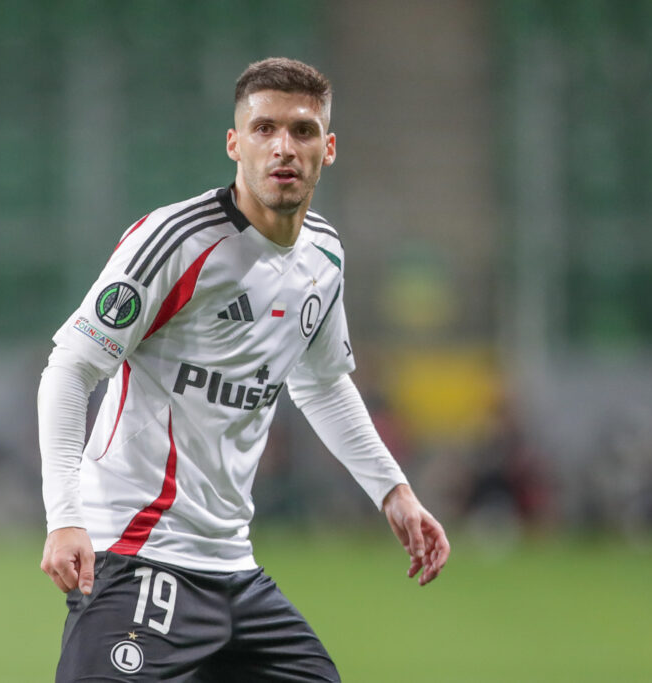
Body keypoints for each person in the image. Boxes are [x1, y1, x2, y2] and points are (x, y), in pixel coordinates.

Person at [37, 57, 449, 682]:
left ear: (328, 148)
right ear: (235, 143)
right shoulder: (177, 242)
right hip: (137, 554)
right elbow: (70, 368)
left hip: (233, 570)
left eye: (303, 131)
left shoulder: (324, 255)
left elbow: (322, 381)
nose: (284, 147)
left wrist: (394, 491)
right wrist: (66, 518)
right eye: (264, 129)